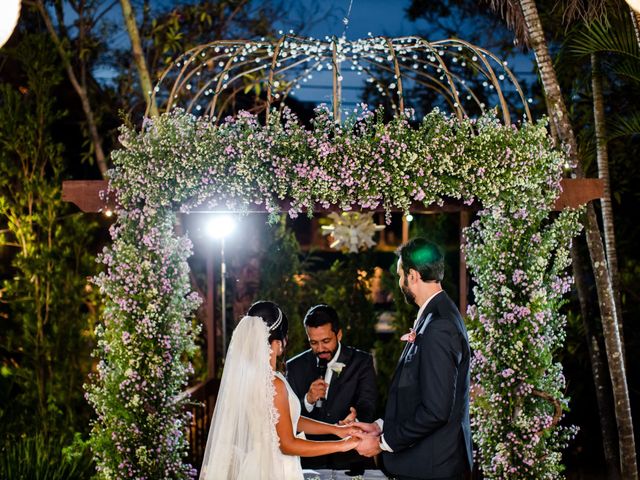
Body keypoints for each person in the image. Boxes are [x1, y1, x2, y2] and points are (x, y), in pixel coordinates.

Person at [353, 238, 473, 480]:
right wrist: (381, 426)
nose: (399, 283)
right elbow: (419, 393)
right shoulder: (437, 315)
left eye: (400, 276)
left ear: (413, 275)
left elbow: (436, 411)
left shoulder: (439, 325)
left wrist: (383, 443)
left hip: (432, 468)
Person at [200, 301, 360, 480]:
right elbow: (287, 444)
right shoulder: (273, 383)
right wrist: (341, 445)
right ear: (279, 342)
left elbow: (287, 420)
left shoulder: (253, 377)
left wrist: (335, 430)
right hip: (274, 469)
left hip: (254, 464)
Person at [286, 304, 377, 473]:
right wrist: (307, 400)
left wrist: (356, 420)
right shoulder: (295, 366)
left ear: (339, 334)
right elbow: (287, 416)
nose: (320, 349)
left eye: (326, 341)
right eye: (314, 342)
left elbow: (368, 404)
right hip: (310, 462)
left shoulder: (362, 362)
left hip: (352, 460)